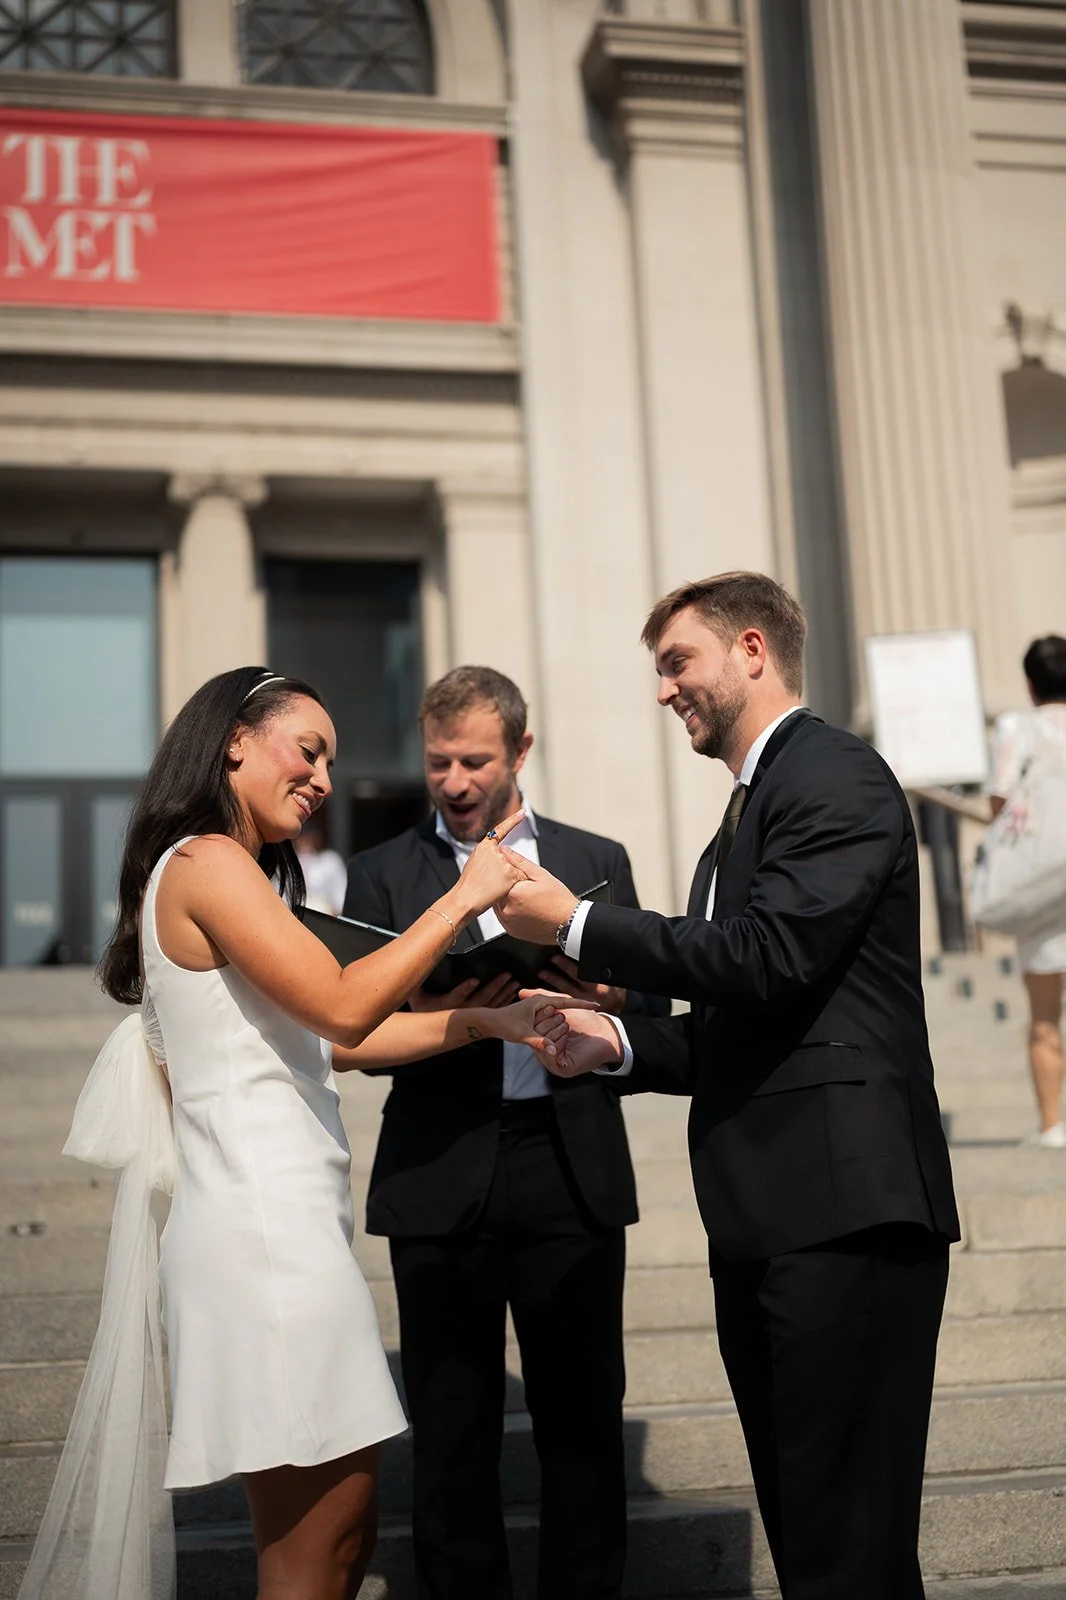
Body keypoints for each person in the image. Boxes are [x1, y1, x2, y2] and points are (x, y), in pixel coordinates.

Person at [23, 666, 582, 1600]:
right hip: (260, 1239)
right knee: (313, 1550)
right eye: (308, 749)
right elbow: (342, 1002)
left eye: (331, 759)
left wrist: (494, 1021)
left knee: (344, 1529)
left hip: (289, 1228)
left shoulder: (234, 873)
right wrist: (463, 897)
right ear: (234, 740)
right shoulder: (204, 863)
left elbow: (336, 1043)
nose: (323, 776)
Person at [499, 574, 962, 1600]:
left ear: (752, 650)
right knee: (813, 1541)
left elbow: (768, 956)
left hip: (845, 1215)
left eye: (677, 661)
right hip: (765, 1222)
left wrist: (573, 921)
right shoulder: (743, 814)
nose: (664, 689)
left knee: (847, 1548)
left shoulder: (833, 774)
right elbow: (736, 1028)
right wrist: (612, 1042)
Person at [342, 664, 669, 1600]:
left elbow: (647, 1000)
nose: (453, 781)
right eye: (438, 762)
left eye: (474, 760)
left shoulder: (594, 855)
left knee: (583, 1425)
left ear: (520, 751)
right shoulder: (381, 869)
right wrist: (454, 1010)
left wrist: (601, 991)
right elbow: (351, 1025)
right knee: (450, 1431)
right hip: (441, 1169)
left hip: (570, 1166)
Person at [988, 635, 1066, 1148]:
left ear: (1030, 683)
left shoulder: (1019, 728)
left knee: (1044, 1017)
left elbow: (998, 799)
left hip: (1045, 891)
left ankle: (1052, 1126)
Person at [297, 815, 349, 914]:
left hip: (323, 915)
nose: (306, 841)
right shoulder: (290, 862)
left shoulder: (330, 861)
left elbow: (341, 897)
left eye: (310, 837)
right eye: (303, 837)